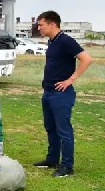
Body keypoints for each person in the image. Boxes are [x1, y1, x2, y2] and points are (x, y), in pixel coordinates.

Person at [33, 10, 93, 177]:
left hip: (61, 94)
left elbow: (87, 59)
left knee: (64, 130)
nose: (39, 28)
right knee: (50, 128)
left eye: (41, 25)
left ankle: (67, 167)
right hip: (48, 92)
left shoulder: (66, 41)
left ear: (52, 24)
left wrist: (70, 80)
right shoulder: (52, 42)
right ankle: (52, 160)